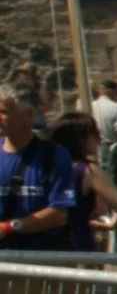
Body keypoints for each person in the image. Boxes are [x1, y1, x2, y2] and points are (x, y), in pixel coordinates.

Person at [45, 112, 117, 252]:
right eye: (95, 134)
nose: (100, 139)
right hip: (77, 248)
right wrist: (115, 220)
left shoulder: (45, 166)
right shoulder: (88, 171)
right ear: (80, 139)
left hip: (42, 247)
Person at [0, 85, 78, 251]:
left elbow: (59, 214)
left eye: (4, 112)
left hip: (42, 256)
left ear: (29, 115)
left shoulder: (53, 154)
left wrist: (9, 227)